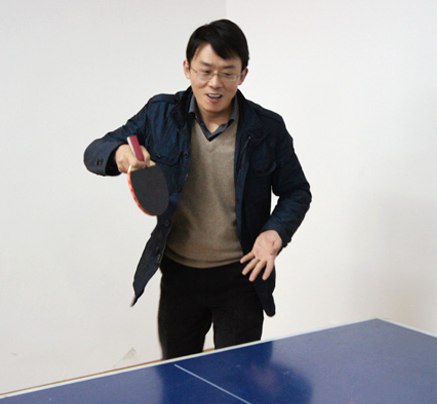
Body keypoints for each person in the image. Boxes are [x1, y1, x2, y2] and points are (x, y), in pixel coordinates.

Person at [84, 19, 311, 359]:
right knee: (177, 377)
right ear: (187, 69)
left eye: (227, 73)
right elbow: (94, 151)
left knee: (239, 380)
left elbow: (297, 191)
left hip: (241, 277)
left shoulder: (268, 128)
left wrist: (274, 233)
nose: (215, 83)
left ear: (243, 75)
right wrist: (120, 155)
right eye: (205, 71)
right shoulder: (160, 115)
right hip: (179, 277)